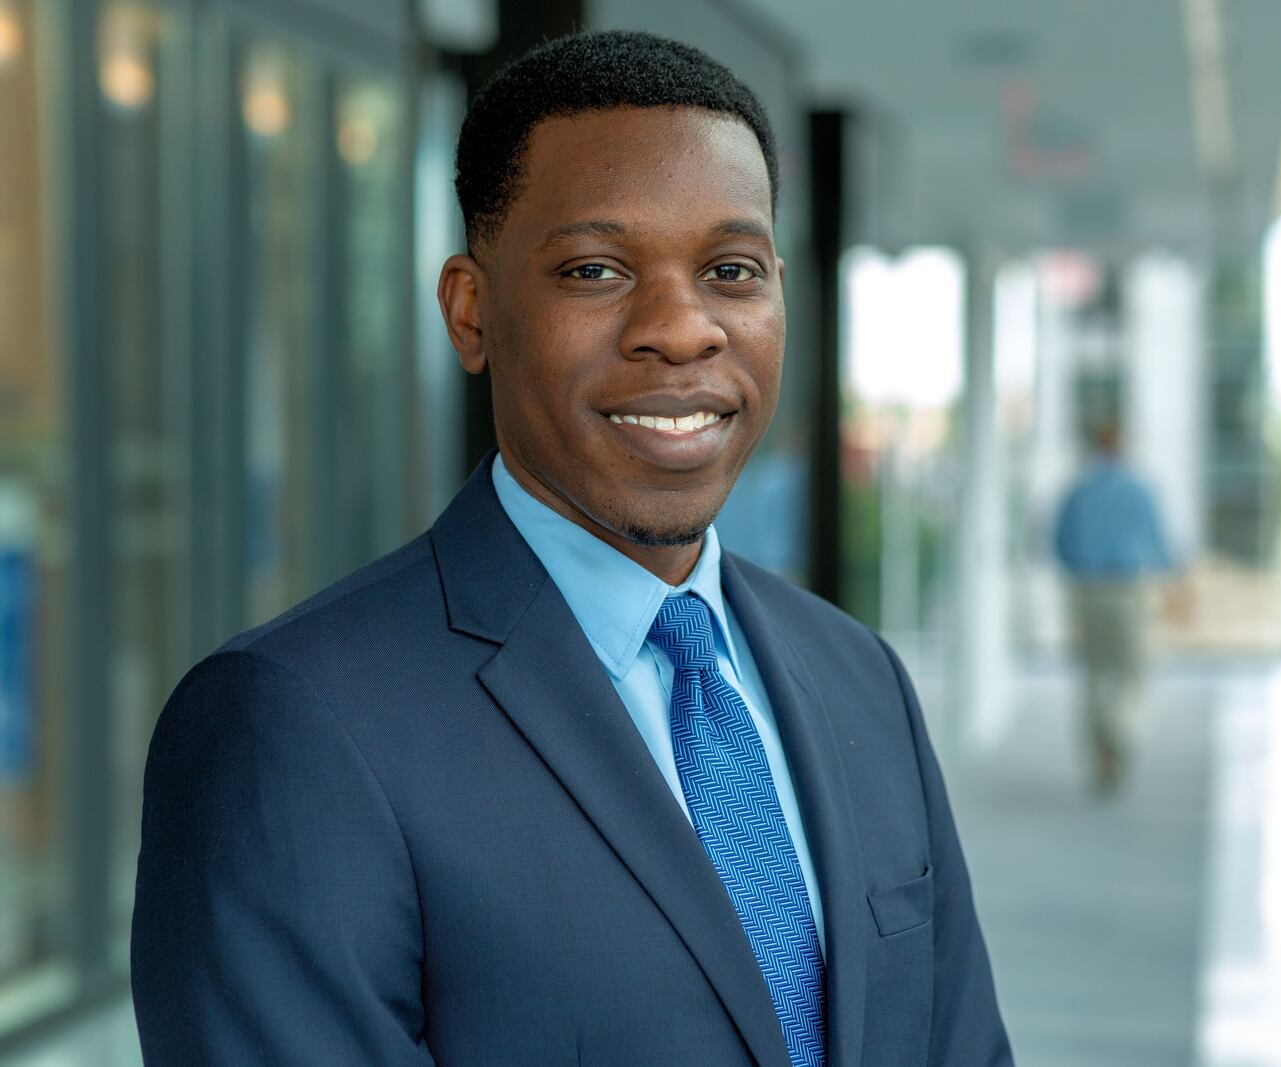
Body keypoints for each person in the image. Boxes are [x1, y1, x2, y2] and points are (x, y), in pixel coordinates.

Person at [131, 30, 1010, 1066]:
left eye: (730, 269)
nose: (681, 329)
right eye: (595, 269)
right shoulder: (293, 726)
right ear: (471, 311)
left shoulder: (857, 677)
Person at [1053, 419, 1176, 795]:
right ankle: (1121, 731)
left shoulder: (1078, 491)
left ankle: (1104, 750)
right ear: (1122, 446)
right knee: (1133, 670)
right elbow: (1162, 547)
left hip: (1087, 591)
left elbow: (1058, 543)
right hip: (1129, 591)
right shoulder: (1141, 490)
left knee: (1095, 674)